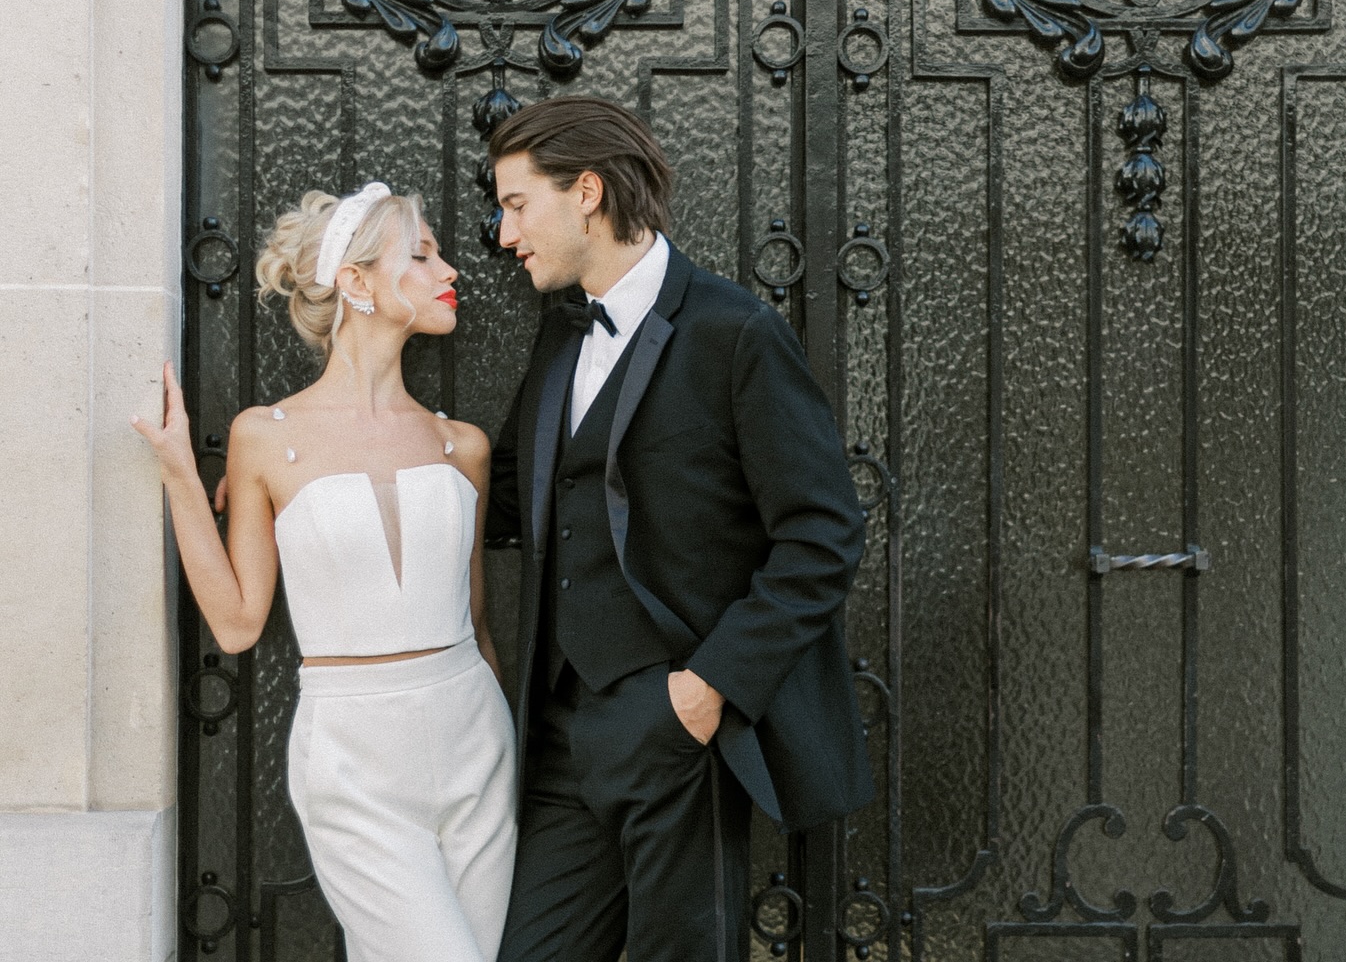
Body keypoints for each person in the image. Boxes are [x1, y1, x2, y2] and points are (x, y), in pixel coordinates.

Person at [484, 97, 873, 962]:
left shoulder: (736, 332)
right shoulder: (560, 334)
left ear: (585, 191)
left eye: (516, 205)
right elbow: (504, 500)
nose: (505, 234)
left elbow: (823, 533)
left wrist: (707, 690)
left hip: (675, 729)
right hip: (559, 737)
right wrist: (339, 458)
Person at [133, 184, 517, 962]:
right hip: (352, 757)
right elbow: (239, 623)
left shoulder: (463, 446)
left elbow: (476, 626)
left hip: (477, 739)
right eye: (422, 254)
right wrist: (179, 476)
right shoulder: (265, 439)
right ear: (357, 283)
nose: (450, 269)